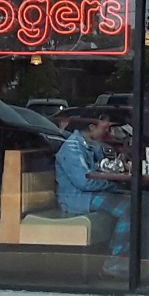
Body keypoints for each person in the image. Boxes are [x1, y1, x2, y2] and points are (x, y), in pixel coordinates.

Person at [54, 113, 131, 278]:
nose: (108, 130)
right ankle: (114, 264)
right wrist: (113, 183)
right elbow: (85, 182)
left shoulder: (92, 145)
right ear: (91, 127)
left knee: (134, 202)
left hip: (90, 194)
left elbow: (103, 168)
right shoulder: (71, 148)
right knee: (128, 208)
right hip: (76, 199)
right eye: (105, 127)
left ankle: (125, 261)